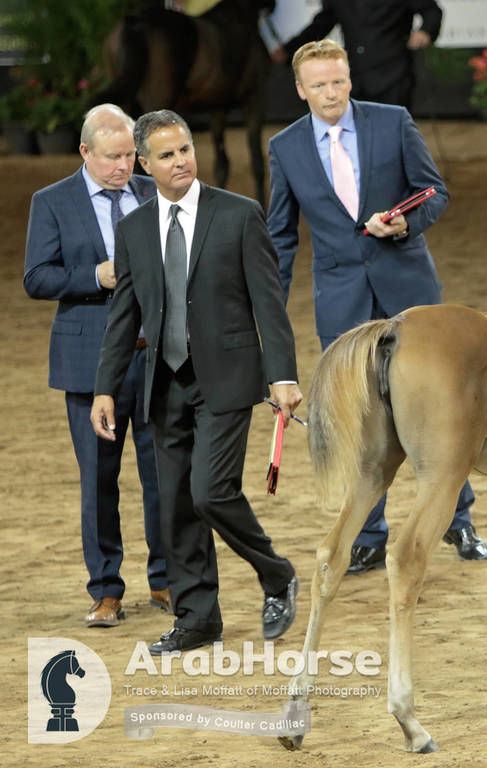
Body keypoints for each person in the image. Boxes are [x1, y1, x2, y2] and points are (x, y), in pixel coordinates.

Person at [266, 38, 487, 575]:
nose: (330, 93)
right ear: (300, 89)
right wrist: (266, 304)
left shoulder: (392, 122)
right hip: (341, 302)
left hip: (410, 291)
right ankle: (369, 534)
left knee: (440, 411)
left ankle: (458, 520)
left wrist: (407, 222)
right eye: (318, 85)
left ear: (350, 79)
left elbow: (434, 191)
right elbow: (280, 236)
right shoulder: (286, 147)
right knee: (360, 419)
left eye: (338, 81)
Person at [90, 109, 302, 655]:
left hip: (227, 379)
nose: (180, 160)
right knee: (177, 505)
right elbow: (125, 315)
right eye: (166, 155)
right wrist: (105, 388)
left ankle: (275, 573)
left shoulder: (238, 214)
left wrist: (283, 375)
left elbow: (268, 302)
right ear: (144, 164)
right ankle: (198, 618)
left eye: (185, 149)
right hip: (164, 384)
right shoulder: (134, 228)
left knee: (210, 492)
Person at [24, 104, 170, 629]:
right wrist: (95, 276)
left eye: (131, 154)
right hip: (90, 365)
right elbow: (36, 277)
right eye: (112, 157)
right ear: (85, 152)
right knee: (99, 481)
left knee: (164, 476)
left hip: (155, 359)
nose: (124, 166)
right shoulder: (53, 202)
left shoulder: (154, 192)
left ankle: (165, 578)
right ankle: (106, 589)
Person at [273, 1, 442, 108]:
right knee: (357, 140)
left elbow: (432, 11)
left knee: (391, 138)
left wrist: (425, 32)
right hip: (355, 77)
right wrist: (289, 50)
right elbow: (322, 23)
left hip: (393, 74)